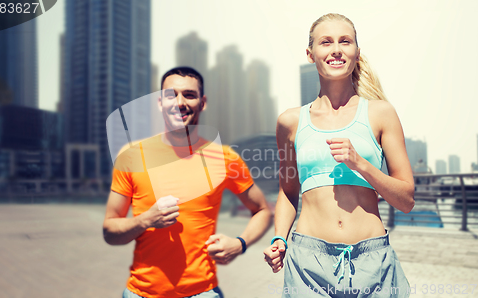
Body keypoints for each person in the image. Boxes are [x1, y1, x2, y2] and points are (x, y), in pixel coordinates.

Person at [263, 13, 414, 297]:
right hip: (308, 265)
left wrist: (361, 164)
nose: (336, 49)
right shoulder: (290, 122)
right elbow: (287, 191)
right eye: (326, 42)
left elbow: (406, 200)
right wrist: (279, 238)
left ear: (357, 52)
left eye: (345, 41)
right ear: (311, 54)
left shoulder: (381, 113)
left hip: (374, 264)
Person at [104, 66, 272, 298]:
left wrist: (239, 244)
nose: (179, 102)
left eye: (189, 95)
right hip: (141, 293)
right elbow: (110, 231)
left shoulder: (225, 158)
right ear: (159, 103)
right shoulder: (131, 155)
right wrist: (144, 220)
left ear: (202, 103)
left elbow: (263, 210)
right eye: (170, 95)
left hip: (202, 292)